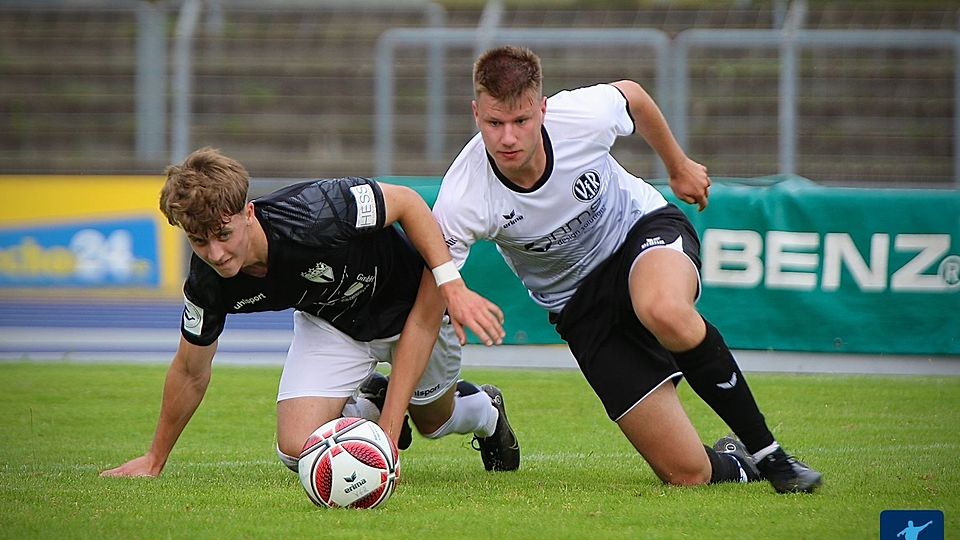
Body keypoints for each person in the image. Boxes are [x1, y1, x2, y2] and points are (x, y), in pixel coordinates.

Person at [433, 45, 821, 493]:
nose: (508, 138)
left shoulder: (581, 118)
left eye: (521, 121)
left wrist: (678, 167)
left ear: (542, 108)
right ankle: (738, 463)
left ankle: (771, 456)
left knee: (663, 309)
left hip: (639, 233)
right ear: (475, 113)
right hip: (579, 306)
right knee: (685, 474)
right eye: (494, 123)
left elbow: (633, 96)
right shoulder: (464, 193)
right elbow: (437, 277)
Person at [101, 147, 520, 478]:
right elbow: (190, 371)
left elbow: (408, 203)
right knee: (297, 449)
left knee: (433, 422)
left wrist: (448, 281)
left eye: (224, 235)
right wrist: (155, 458)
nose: (216, 254)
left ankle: (486, 411)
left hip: (411, 303)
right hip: (333, 322)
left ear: (248, 213)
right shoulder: (208, 283)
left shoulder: (319, 211)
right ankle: (371, 401)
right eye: (198, 242)